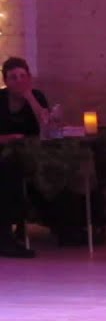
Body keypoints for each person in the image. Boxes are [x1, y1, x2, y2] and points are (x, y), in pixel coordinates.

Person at [0, 57, 45, 257]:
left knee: (65, 166)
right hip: (4, 152)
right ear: (6, 81)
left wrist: (30, 98)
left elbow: (47, 128)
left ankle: (68, 226)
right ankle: (6, 237)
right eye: (13, 77)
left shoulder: (36, 96)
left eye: (22, 76)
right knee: (10, 170)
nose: (18, 81)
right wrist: (6, 138)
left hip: (31, 152)